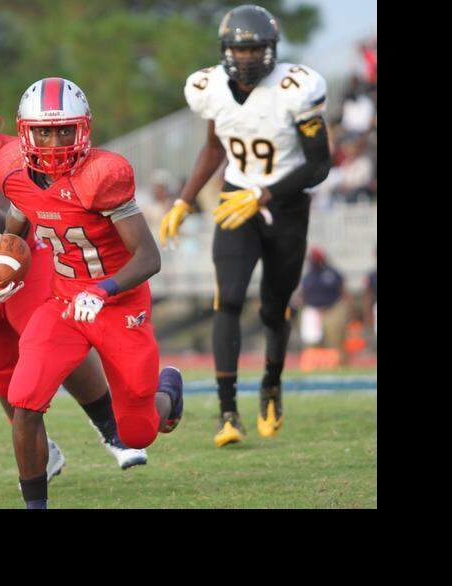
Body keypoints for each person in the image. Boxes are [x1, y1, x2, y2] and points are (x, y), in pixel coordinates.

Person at [0, 87, 153, 472]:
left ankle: (111, 429)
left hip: (32, 253)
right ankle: (39, 454)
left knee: (47, 332)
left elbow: (8, 222)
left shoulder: (8, 159)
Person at [0, 77, 183, 508]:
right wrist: (0, 270)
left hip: (119, 303)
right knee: (25, 399)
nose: (53, 140)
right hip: (63, 302)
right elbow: (15, 227)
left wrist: (104, 287)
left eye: (63, 130)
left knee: (137, 431)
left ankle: (169, 391)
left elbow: (148, 257)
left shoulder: (102, 175)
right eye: (43, 131)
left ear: (83, 129)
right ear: (25, 131)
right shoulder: (13, 171)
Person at [159, 4, 332, 447]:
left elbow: (319, 164)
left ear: (272, 49)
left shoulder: (297, 87)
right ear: (226, 50)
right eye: (241, 48)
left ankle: (271, 385)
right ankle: (227, 411)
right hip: (236, 200)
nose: (249, 58)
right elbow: (214, 148)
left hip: (286, 205)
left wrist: (267, 194)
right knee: (229, 300)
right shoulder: (210, 88)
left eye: (257, 48)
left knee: (274, 308)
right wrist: (184, 198)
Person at [296, 247, 346, 351]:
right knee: (312, 341)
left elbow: (343, 291)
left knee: (333, 340)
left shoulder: (332, 273)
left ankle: (336, 364)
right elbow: (302, 294)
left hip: (331, 310)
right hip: (313, 311)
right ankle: (316, 363)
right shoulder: (308, 275)